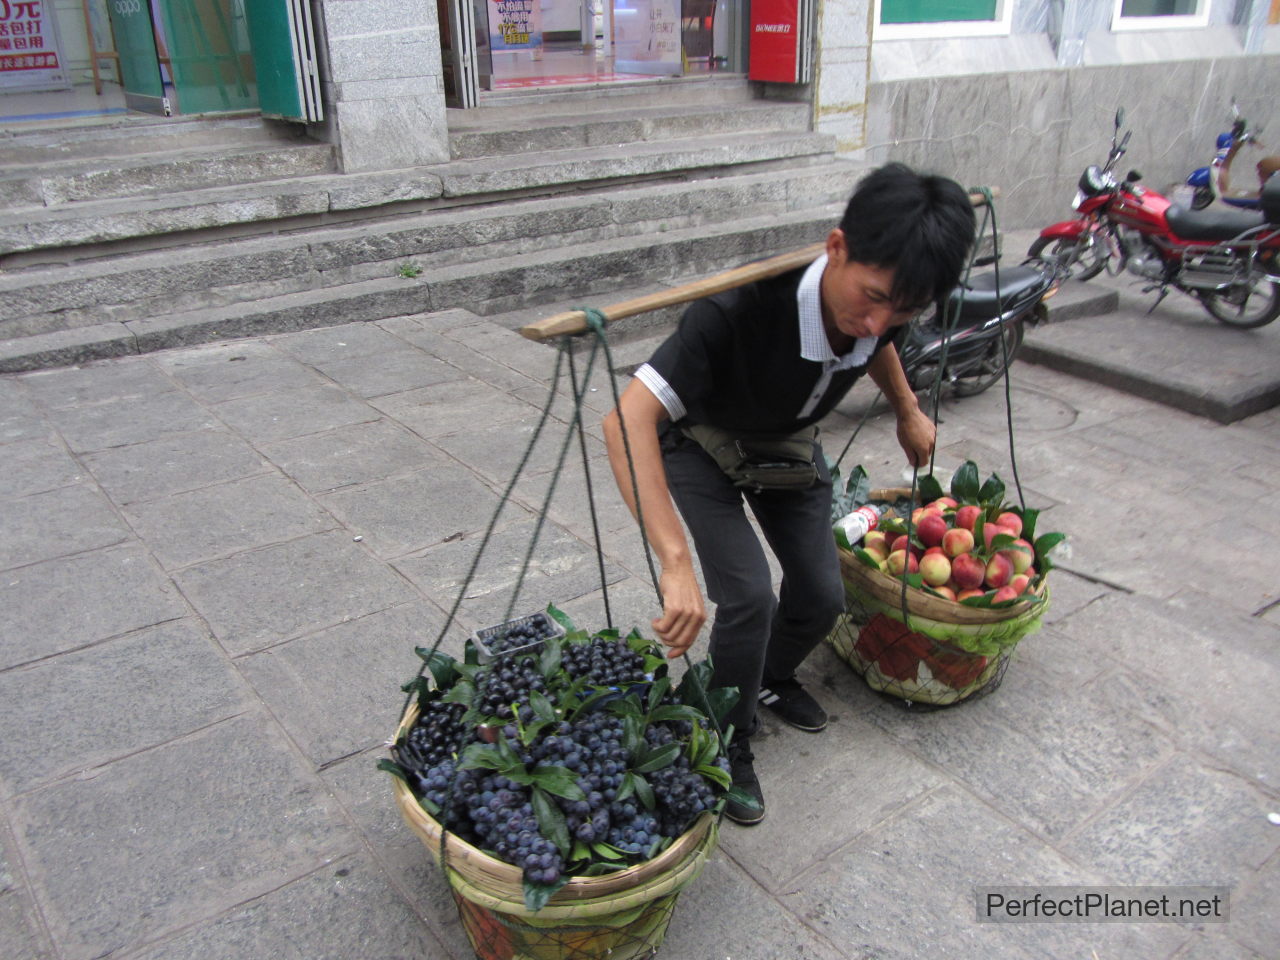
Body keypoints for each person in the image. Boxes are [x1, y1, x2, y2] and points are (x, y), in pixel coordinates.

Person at [601, 163, 977, 825]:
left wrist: (909, 409)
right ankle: (725, 734)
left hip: (787, 445)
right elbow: (625, 419)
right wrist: (674, 560)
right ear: (836, 248)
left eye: (906, 310)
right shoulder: (734, 310)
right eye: (873, 296)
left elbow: (880, 341)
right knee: (746, 595)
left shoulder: (882, 306)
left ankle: (763, 679)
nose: (879, 320)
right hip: (703, 444)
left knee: (823, 594)